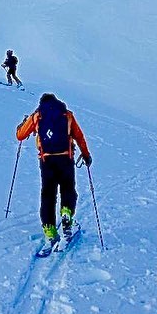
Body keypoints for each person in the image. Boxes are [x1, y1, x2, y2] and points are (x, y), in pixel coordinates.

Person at [16, 93, 92, 253]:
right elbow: (79, 136)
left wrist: (22, 124)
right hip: (66, 159)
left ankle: (50, 231)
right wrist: (86, 155)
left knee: (48, 195)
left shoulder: (37, 115)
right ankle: (66, 214)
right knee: (68, 189)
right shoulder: (67, 115)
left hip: (47, 161)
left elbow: (20, 135)